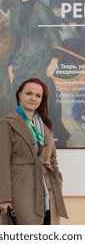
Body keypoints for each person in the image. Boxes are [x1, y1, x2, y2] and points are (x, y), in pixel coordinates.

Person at [6, 0, 70, 148]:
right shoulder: (16, 9)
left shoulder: (43, 9)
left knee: (47, 101)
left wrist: (54, 61)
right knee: (20, 102)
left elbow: (55, 38)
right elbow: (15, 40)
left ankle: (54, 139)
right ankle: (25, 139)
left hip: (40, 60)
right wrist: (11, 65)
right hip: (21, 62)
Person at [0, 78, 68, 225]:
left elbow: (53, 159)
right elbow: (2, 161)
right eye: (28, 93)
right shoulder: (6, 122)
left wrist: (58, 181)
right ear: (19, 95)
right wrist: (4, 197)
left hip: (48, 192)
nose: (33, 98)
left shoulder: (45, 125)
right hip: (20, 191)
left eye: (38, 95)